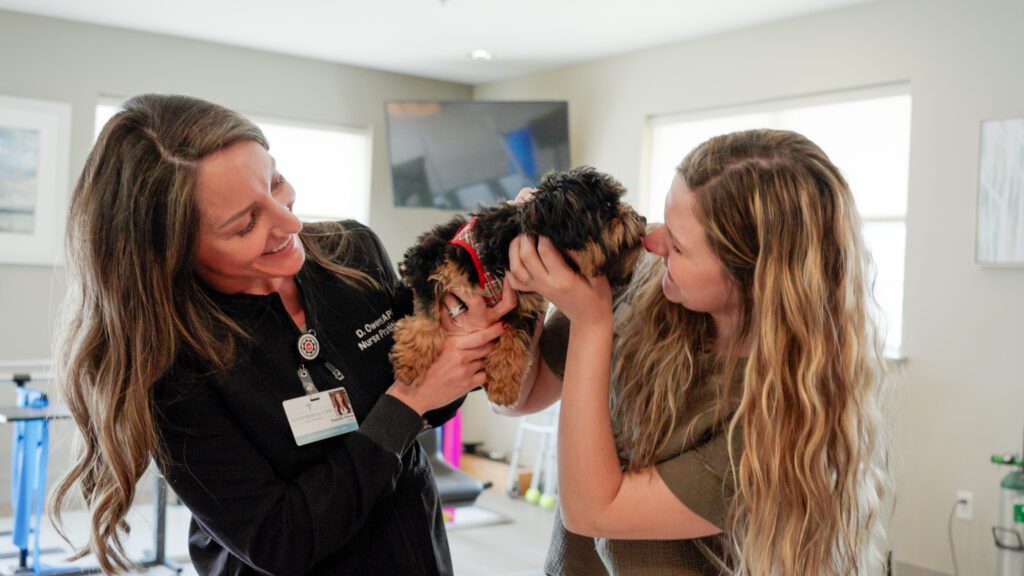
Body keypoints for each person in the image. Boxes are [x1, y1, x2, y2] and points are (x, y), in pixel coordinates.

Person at [49, 93, 514, 576]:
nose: (290, 222)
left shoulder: (351, 251)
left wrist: (459, 342)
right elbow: (279, 539)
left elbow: (434, 405)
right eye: (246, 222)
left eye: (276, 182)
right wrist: (406, 403)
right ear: (171, 254)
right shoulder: (170, 366)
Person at [499, 129, 892, 575]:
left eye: (679, 245)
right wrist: (523, 280)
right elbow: (519, 396)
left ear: (754, 277)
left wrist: (591, 323)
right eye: (665, 221)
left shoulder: (784, 416)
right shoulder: (641, 275)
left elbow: (594, 511)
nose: (652, 242)